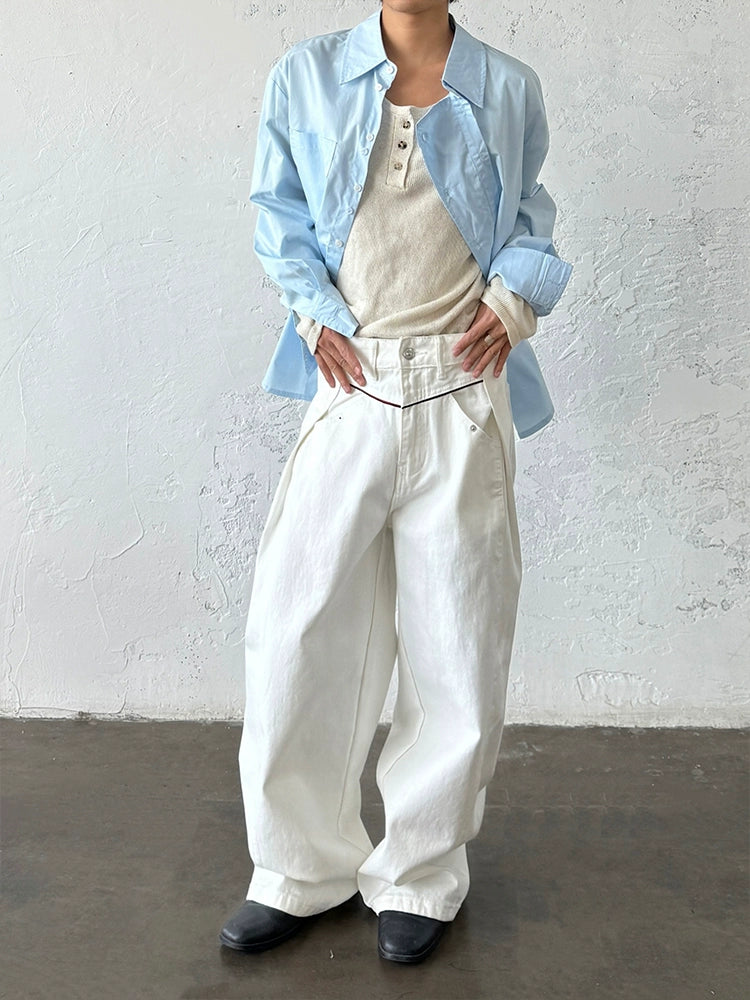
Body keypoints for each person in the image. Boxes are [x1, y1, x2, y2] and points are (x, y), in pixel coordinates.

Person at [219, 0, 572, 964]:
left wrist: (515, 299)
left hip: (460, 386)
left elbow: (532, 218)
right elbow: (278, 212)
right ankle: (297, 869)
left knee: (456, 637)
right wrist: (309, 312)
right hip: (351, 381)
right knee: (296, 629)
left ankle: (420, 873)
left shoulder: (509, 87)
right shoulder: (304, 76)